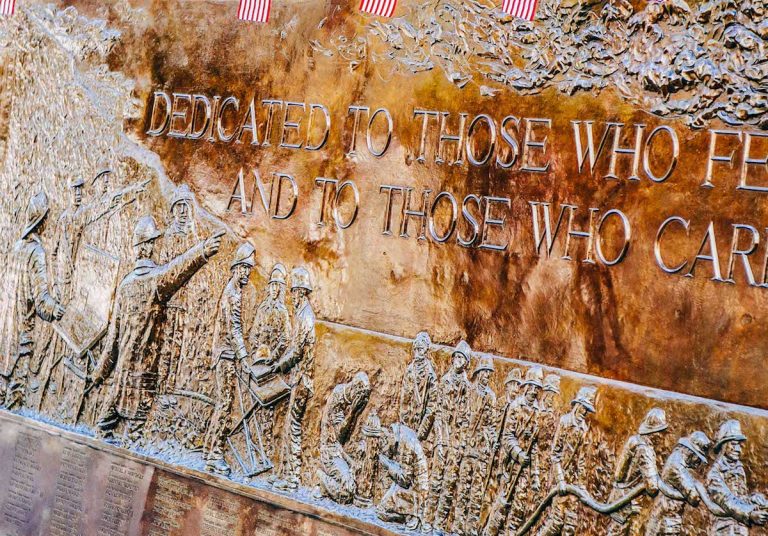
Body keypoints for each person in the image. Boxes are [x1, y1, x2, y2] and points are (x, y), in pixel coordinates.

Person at [91, 215, 221, 444]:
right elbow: (178, 268)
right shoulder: (155, 281)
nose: (154, 246)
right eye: (152, 243)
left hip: (121, 374)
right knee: (135, 439)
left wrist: (100, 373)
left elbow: (113, 339)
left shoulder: (125, 285)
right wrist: (202, 251)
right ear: (147, 247)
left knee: (105, 428)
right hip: (144, 375)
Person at [2, 192, 65, 409]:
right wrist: (56, 309)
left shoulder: (16, 248)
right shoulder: (35, 251)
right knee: (15, 398)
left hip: (5, 334)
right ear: (42, 220)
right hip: (21, 337)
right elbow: (40, 300)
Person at [202, 242, 255, 476]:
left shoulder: (234, 291)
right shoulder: (233, 294)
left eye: (249, 270)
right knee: (224, 405)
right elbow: (234, 329)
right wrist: (244, 357)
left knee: (222, 404)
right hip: (225, 356)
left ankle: (208, 448)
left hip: (226, 354)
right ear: (235, 268)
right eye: (243, 268)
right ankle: (214, 456)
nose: (246, 274)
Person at [270, 267, 316, 492]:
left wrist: (278, 366)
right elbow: (291, 347)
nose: (292, 297)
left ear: (301, 292)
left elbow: (297, 351)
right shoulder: (301, 315)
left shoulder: (306, 317)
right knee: (289, 426)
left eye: (294, 293)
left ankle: (292, 477)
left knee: (293, 427)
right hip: (297, 379)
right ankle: (283, 473)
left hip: (303, 381)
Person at [484, 366, 544, 536]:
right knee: (502, 506)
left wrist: (535, 476)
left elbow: (534, 447)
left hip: (524, 470)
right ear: (525, 387)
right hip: (510, 465)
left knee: (518, 510)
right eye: (530, 386)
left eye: (536, 388)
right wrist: (518, 454)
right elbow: (507, 437)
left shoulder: (538, 412)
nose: (533, 391)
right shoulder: (516, 406)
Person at [423, 340, 471, 532]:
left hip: (456, 443)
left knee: (449, 484)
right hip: (442, 441)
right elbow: (439, 414)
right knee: (436, 480)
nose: (458, 361)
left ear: (466, 362)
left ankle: (439, 524)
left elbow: (466, 417)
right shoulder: (445, 381)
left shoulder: (467, 386)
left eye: (462, 358)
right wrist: (441, 442)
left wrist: (459, 444)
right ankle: (427, 520)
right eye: (456, 357)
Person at [536, 386, 598, 536]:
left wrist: (582, 486)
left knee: (570, 525)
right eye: (583, 408)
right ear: (577, 405)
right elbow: (554, 454)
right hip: (561, 482)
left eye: (587, 410)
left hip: (574, 485)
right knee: (556, 522)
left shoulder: (583, 429)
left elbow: (582, 461)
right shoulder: (565, 422)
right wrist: (560, 479)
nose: (584, 413)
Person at [248, 263, 291, 457]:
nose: (274, 289)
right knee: (253, 406)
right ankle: (252, 444)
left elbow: (286, 337)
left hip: (273, 366)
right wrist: (256, 351)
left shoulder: (283, 312)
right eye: (272, 285)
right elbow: (254, 332)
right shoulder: (262, 309)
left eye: (278, 286)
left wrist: (273, 356)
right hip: (258, 363)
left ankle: (265, 447)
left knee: (268, 406)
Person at [453, 356, 497, 535]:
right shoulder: (468, 391)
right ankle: (457, 527)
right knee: (463, 489)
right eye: (484, 371)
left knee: (476, 493)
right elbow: (461, 418)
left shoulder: (491, 397)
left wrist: (489, 441)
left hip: (481, 452)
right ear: (478, 373)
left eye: (489, 372)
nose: (487, 375)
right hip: (466, 449)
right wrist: (460, 443)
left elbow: (492, 424)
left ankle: (470, 529)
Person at [607, 407, 668, 535]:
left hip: (619, 496)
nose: (662, 437)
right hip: (628, 503)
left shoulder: (634, 440)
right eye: (662, 432)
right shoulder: (644, 450)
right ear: (655, 432)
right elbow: (652, 487)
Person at [315, 372, 371, 503]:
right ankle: (320, 478)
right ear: (355, 389)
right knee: (348, 491)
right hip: (330, 452)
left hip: (341, 451)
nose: (363, 399)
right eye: (361, 395)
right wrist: (352, 411)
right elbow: (338, 436)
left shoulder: (349, 397)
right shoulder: (338, 397)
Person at [706, 419, 768, 535]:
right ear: (723, 446)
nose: (738, 449)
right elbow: (728, 500)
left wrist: (755, 499)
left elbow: (740, 498)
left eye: (739, 445)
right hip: (724, 530)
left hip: (740, 528)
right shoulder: (714, 474)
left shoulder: (738, 469)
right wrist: (750, 514)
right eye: (733, 445)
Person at [646, 431, 712, 536]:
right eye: (698, 459)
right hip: (666, 523)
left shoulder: (677, 460)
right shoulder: (677, 465)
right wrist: (697, 485)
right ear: (691, 453)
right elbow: (694, 497)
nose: (698, 464)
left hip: (668, 520)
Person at [376, 423, 430, 531]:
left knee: (382, 511)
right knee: (381, 509)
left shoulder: (406, 443)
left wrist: (386, 463)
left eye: (386, 445)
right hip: (408, 486)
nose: (387, 451)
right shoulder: (399, 434)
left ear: (389, 437)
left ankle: (412, 515)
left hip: (416, 492)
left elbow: (405, 480)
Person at [398, 331, 437, 443]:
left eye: (421, 349)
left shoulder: (430, 374)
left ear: (426, 350)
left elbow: (432, 405)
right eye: (416, 349)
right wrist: (403, 424)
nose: (417, 352)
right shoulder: (410, 370)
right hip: (406, 422)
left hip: (420, 426)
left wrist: (421, 433)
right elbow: (404, 399)